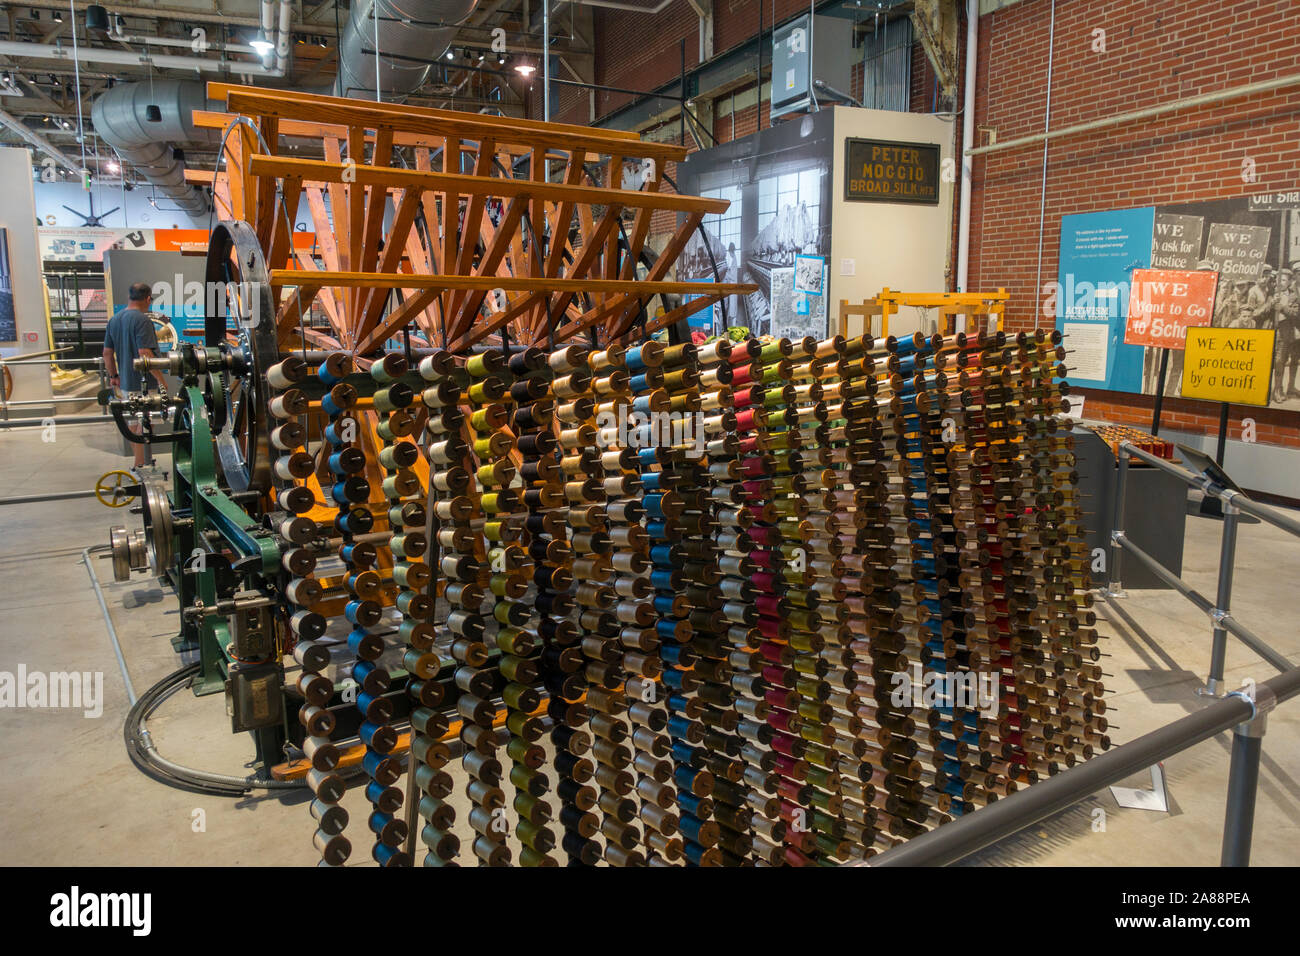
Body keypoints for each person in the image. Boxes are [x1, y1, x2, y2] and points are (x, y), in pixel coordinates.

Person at [103, 281, 167, 475]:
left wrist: (114, 376)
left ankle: (139, 464)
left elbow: (107, 353)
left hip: (126, 383)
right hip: (144, 382)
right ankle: (142, 466)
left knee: (133, 424)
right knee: (146, 424)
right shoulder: (142, 320)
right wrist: (162, 380)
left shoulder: (115, 320)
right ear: (148, 299)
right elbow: (145, 353)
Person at [1275, 264, 1300, 402]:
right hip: (1275, 331)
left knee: (1290, 359)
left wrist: (1283, 308)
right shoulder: (1272, 293)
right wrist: (1272, 304)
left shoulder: (1293, 296)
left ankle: (1290, 387)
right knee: (1278, 361)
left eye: (1284, 280)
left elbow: (1295, 312)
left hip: (1290, 331)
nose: (1281, 283)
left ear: (1289, 281)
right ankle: (1277, 389)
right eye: (1279, 280)